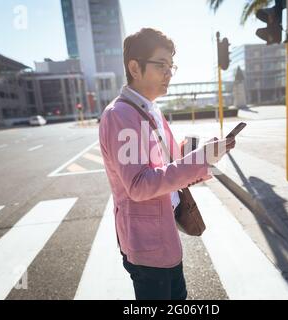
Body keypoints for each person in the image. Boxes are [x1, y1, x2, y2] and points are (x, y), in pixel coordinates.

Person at [98, 28, 236, 300]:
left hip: (164, 233)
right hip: (148, 246)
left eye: (171, 65)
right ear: (135, 67)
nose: (169, 72)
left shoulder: (150, 108)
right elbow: (138, 185)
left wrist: (201, 151)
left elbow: (168, 161)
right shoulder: (121, 115)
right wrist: (200, 159)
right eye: (161, 65)